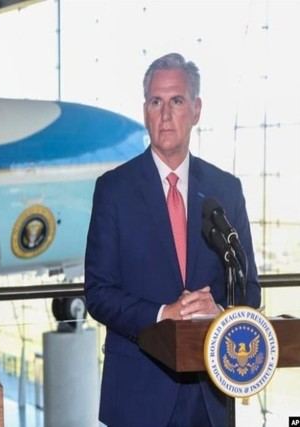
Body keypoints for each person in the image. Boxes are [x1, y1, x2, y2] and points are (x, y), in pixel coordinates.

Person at [84, 53, 260, 427]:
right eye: (155, 101)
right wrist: (164, 313)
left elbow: (250, 288)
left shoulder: (226, 191)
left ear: (196, 110)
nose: (165, 114)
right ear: (145, 109)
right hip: (137, 392)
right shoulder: (113, 190)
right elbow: (98, 293)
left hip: (209, 395)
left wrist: (219, 311)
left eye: (176, 101)